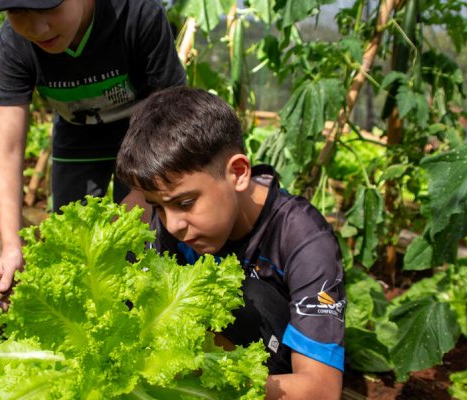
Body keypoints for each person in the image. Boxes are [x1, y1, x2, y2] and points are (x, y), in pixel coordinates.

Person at [115, 87, 345, 399]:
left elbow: (320, 390)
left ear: (238, 173)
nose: (172, 225)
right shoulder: (172, 224)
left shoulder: (303, 239)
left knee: (250, 299)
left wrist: (193, 378)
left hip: (266, 380)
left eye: (184, 203)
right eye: (158, 206)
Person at [0, 0, 186, 301]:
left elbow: (173, 112)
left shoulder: (138, 14)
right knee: (71, 248)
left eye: (47, 8)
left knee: (142, 242)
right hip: (77, 135)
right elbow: (7, 148)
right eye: (19, 12)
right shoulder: (14, 41)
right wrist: (12, 246)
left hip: (145, 134)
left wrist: (143, 197)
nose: (37, 28)